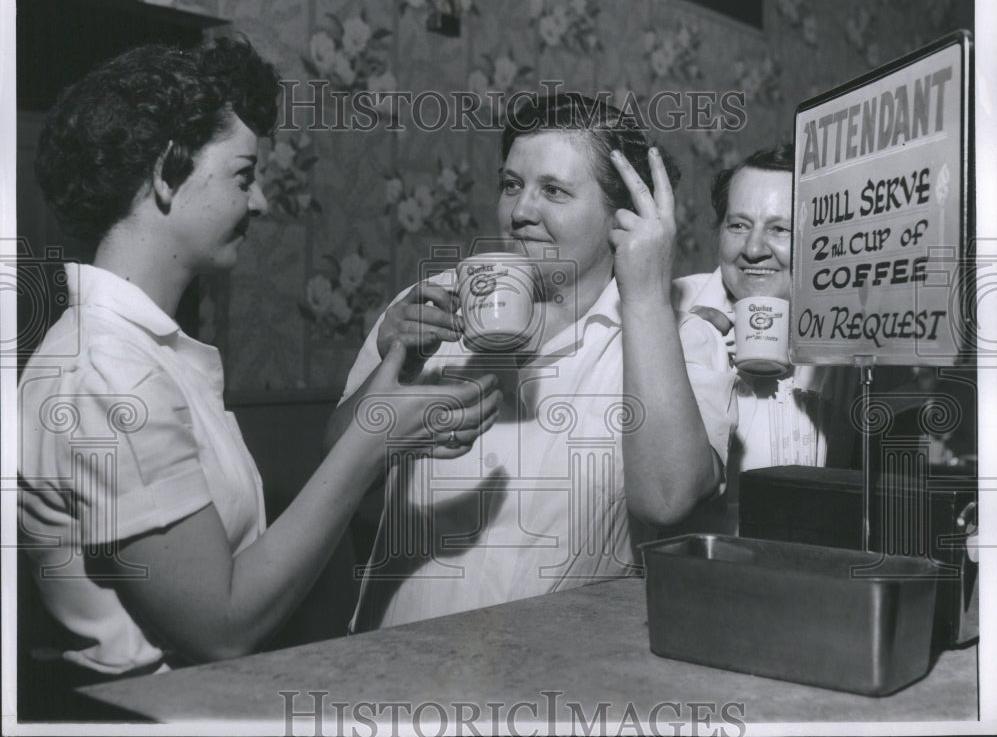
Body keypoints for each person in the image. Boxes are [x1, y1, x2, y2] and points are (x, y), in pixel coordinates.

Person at [17, 37, 501, 683]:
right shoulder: (107, 373)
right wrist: (373, 444)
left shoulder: (142, 354)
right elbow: (220, 628)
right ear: (167, 175)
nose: (262, 202)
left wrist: (384, 392)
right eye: (244, 176)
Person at [333, 93, 737, 631]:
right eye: (510, 185)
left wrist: (643, 295)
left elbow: (667, 500)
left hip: (554, 694)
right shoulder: (431, 304)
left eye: (554, 190)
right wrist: (397, 368)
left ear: (623, 216)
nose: (521, 212)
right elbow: (330, 466)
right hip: (393, 682)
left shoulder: (678, 336)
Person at [672, 143, 855, 534]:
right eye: (738, 225)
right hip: (701, 577)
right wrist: (680, 345)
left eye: (780, 229)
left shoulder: (853, 327)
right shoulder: (668, 313)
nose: (753, 249)